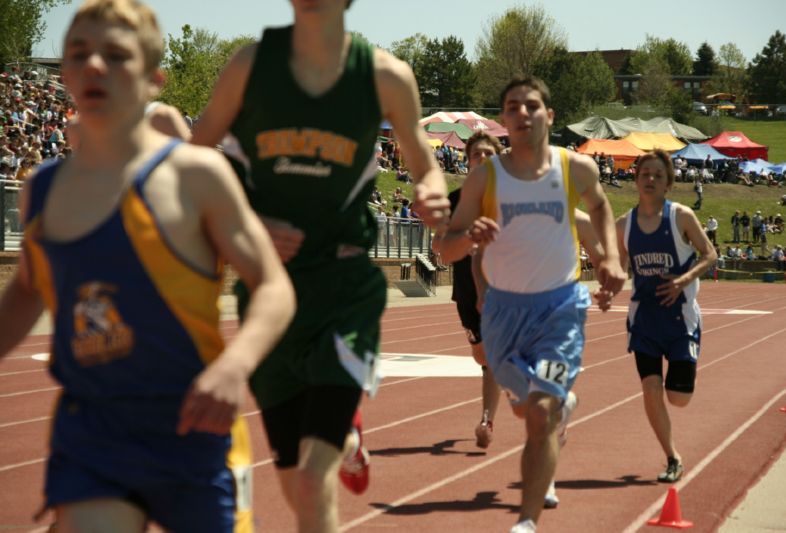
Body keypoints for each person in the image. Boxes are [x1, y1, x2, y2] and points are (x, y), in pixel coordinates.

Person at [0, 1, 296, 531]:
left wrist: (235, 366)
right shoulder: (41, 190)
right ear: (64, 72)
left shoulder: (196, 176)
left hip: (193, 427)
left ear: (154, 77)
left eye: (116, 55)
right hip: (92, 433)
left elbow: (273, 286)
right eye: (80, 54)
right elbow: (27, 287)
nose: (94, 66)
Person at [190, 1, 449, 531]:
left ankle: (341, 424)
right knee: (294, 482)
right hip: (268, 292)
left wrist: (431, 192)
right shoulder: (250, 66)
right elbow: (190, 164)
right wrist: (246, 223)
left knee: (311, 481)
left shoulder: (384, 76)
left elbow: (425, 165)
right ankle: (347, 431)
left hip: (344, 288)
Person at [438, 77, 626, 533]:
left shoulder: (574, 168)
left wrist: (612, 260)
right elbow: (446, 249)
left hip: (560, 310)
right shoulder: (485, 176)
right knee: (527, 410)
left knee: (540, 414)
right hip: (502, 312)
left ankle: (526, 521)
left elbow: (599, 209)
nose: (522, 113)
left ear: (550, 116)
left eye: (532, 106)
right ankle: (563, 407)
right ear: (503, 121)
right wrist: (469, 238)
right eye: (512, 107)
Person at [616, 150, 717, 485]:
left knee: (679, 398)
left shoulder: (681, 217)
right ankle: (673, 457)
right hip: (644, 319)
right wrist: (606, 287)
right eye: (645, 173)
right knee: (650, 387)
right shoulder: (624, 225)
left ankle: (685, 371)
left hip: (680, 320)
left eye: (658, 175)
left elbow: (710, 254)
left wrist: (683, 281)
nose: (650, 180)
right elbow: (617, 270)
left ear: (668, 183)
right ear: (636, 179)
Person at [432, 131, 505, 452]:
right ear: (468, 161)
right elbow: (439, 246)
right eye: (477, 155)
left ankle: (487, 418)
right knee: (482, 357)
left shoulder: (508, 198)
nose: (483, 159)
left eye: (489, 154)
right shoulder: (455, 200)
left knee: (495, 359)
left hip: (504, 291)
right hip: (464, 291)